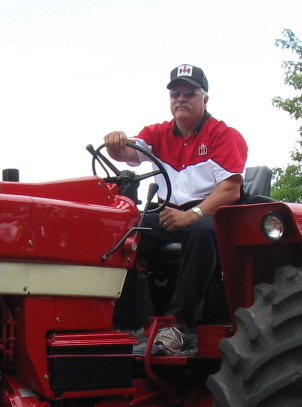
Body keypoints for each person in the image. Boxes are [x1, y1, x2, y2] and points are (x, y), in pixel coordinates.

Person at [103, 64, 247, 357]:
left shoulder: (223, 135)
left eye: (189, 93)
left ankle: (178, 325)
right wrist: (116, 144)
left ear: (205, 98)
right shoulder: (158, 134)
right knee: (124, 231)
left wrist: (192, 215)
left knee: (200, 232)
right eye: (176, 94)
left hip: (211, 214)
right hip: (168, 213)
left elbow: (230, 190)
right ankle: (126, 325)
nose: (181, 99)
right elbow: (129, 151)